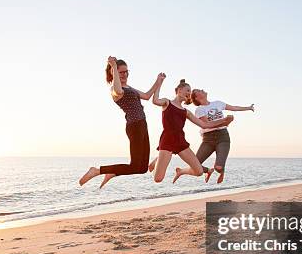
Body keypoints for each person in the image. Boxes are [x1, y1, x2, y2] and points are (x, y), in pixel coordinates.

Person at [79, 56, 165, 188]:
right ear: (114, 73)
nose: (125, 74)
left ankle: (113, 173)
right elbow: (118, 90)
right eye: (121, 72)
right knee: (135, 165)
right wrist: (113, 66)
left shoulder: (129, 87)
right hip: (134, 126)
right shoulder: (115, 90)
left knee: (142, 168)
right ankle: (97, 171)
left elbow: (147, 96)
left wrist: (158, 81)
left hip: (142, 124)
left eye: (126, 71)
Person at [148, 79, 234, 183]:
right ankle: (157, 160)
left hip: (181, 141)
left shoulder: (186, 112)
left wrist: (224, 121)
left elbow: (204, 125)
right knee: (158, 179)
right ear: (179, 90)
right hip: (167, 140)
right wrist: (159, 82)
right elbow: (155, 100)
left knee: (198, 171)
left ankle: (173, 166)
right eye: (187, 90)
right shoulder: (167, 102)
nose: (189, 93)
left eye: (190, 91)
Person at [189, 88, 254, 183]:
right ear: (196, 97)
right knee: (195, 165)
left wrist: (248, 108)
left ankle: (221, 171)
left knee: (218, 167)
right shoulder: (199, 110)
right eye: (199, 90)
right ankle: (208, 171)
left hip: (222, 136)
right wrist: (225, 121)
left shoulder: (217, 103)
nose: (202, 90)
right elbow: (208, 125)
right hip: (208, 139)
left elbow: (234, 107)